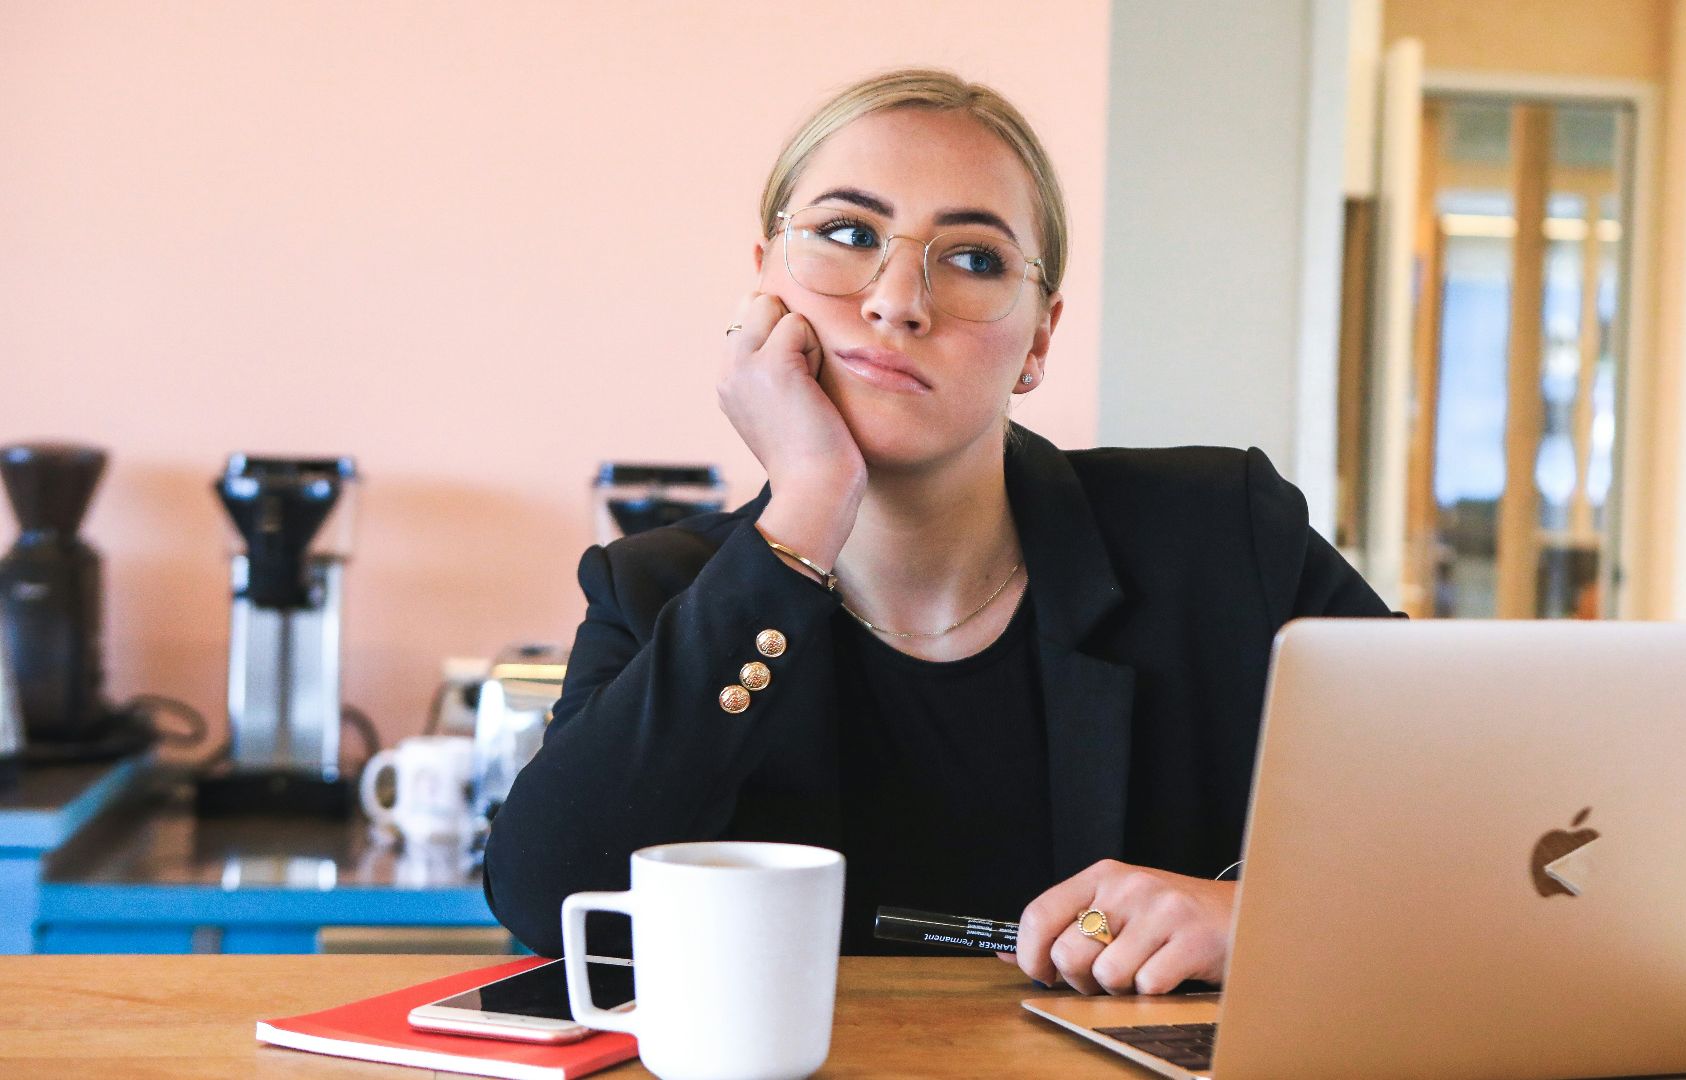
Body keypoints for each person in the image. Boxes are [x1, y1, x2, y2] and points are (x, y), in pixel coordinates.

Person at [483, 67, 1393, 998]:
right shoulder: (656, 589)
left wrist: (1261, 920)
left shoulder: (1221, 534)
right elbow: (550, 899)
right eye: (847, 235)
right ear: (762, 281)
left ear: (1039, 339)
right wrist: (805, 508)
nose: (896, 300)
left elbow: (1492, 825)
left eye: (973, 258)